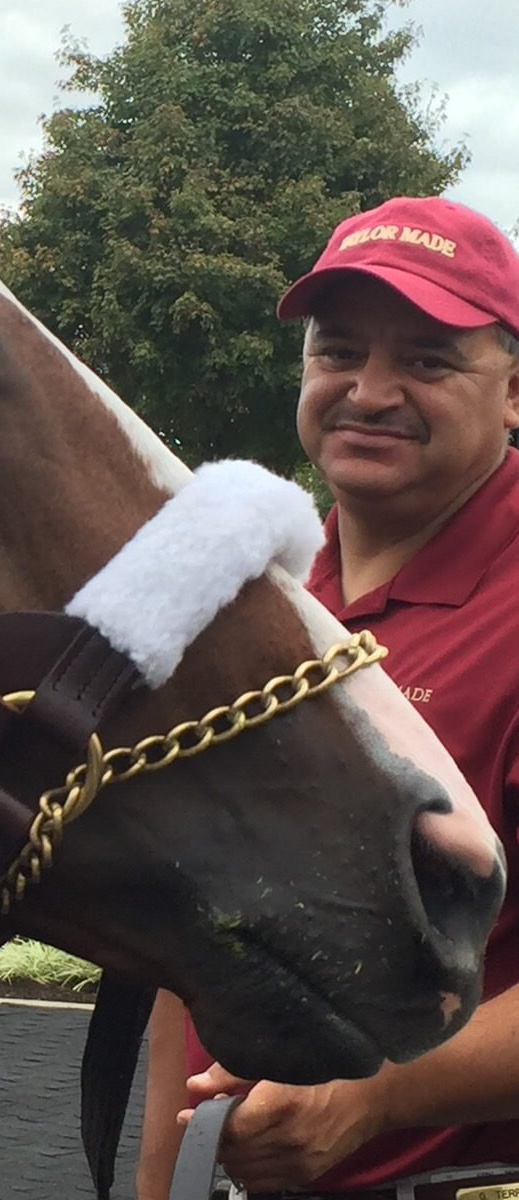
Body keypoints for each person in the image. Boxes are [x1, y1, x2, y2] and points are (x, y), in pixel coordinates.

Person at [136, 196, 519, 1200]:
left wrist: (374, 1097)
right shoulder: (249, 605)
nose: (367, 390)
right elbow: (184, 971)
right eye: (335, 349)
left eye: (427, 361)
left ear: (512, 389)